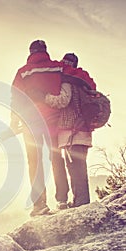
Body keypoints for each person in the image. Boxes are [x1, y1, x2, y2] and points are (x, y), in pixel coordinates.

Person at [11, 40, 69, 217]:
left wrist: (13, 122)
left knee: (35, 162)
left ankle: (40, 205)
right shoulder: (58, 67)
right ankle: (63, 200)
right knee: (57, 158)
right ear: (45, 51)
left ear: (30, 52)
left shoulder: (23, 72)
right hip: (54, 122)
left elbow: (16, 98)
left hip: (31, 123)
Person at [45, 53, 96, 207]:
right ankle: (81, 201)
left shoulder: (68, 81)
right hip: (84, 131)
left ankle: (81, 203)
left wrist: (45, 97)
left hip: (71, 132)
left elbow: (63, 100)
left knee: (75, 168)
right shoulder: (84, 82)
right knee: (79, 167)